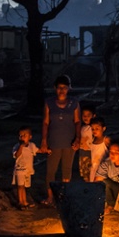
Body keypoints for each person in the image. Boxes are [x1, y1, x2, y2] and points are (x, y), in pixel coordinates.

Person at [40, 75, 81, 206]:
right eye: (59, 88)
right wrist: (44, 140)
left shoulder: (74, 103)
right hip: (54, 141)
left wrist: (78, 138)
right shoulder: (49, 103)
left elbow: (77, 121)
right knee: (51, 170)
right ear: (55, 88)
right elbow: (46, 122)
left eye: (64, 87)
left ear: (69, 88)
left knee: (67, 169)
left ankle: (64, 196)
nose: (62, 90)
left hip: (69, 142)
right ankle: (50, 196)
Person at [12, 126, 49, 210]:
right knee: (20, 186)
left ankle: (24, 201)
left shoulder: (32, 145)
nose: (22, 137)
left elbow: (37, 150)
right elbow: (16, 155)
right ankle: (21, 202)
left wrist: (46, 150)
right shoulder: (16, 146)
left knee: (24, 186)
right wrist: (21, 146)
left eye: (24, 135)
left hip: (27, 170)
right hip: (20, 169)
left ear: (30, 137)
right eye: (20, 135)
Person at [89, 116, 110, 182]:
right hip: (94, 169)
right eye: (92, 129)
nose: (94, 131)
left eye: (97, 129)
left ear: (103, 128)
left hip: (103, 169)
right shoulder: (92, 140)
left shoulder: (106, 140)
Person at [78, 104, 95, 182]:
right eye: (84, 115)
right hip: (82, 154)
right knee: (85, 175)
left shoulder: (93, 128)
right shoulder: (82, 128)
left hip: (90, 155)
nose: (85, 117)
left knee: (91, 175)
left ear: (93, 116)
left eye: (88, 115)